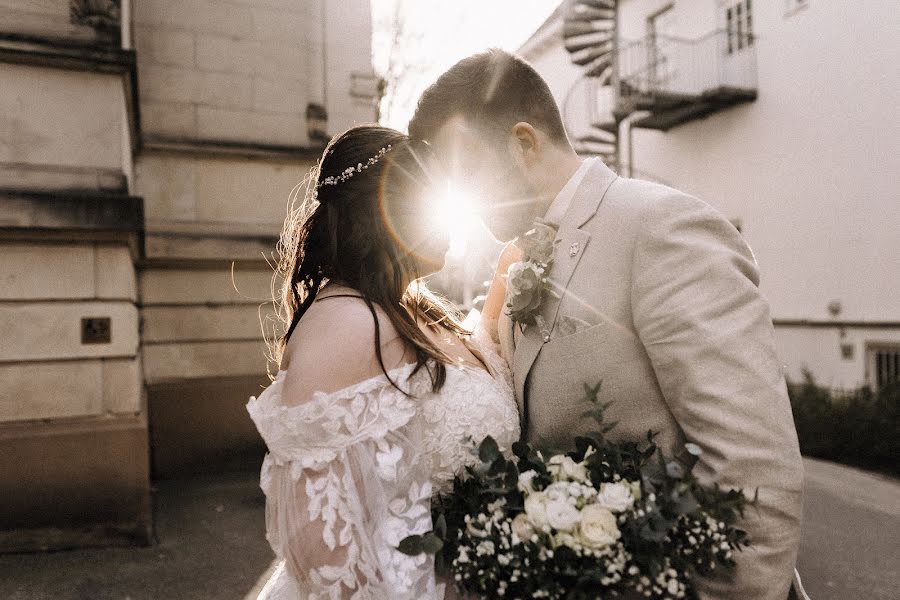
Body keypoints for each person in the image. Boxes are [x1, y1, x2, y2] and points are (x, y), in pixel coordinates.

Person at [408, 49, 808, 600]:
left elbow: (755, 469)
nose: (467, 204)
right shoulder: (517, 261)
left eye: (468, 174)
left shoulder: (661, 228)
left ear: (523, 143)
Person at [246, 125, 519, 598]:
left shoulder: (415, 310)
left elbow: (477, 355)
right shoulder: (343, 325)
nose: (452, 225)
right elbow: (321, 551)